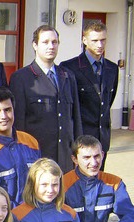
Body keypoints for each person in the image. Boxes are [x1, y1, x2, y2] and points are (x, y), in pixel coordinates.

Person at [9, 25, 82, 173]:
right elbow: (19, 123)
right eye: (45, 42)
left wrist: (78, 152)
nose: (51, 46)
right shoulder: (22, 78)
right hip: (38, 158)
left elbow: (75, 118)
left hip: (65, 158)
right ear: (35, 45)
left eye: (54, 42)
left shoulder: (67, 76)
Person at [61, 22, 119, 170]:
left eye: (103, 40)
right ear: (84, 40)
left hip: (102, 139)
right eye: (95, 40)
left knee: (97, 180)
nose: (100, 44)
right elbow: (69, 105)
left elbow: (106, 102)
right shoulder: (70, 67)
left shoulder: (112, 68)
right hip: (80, 138)